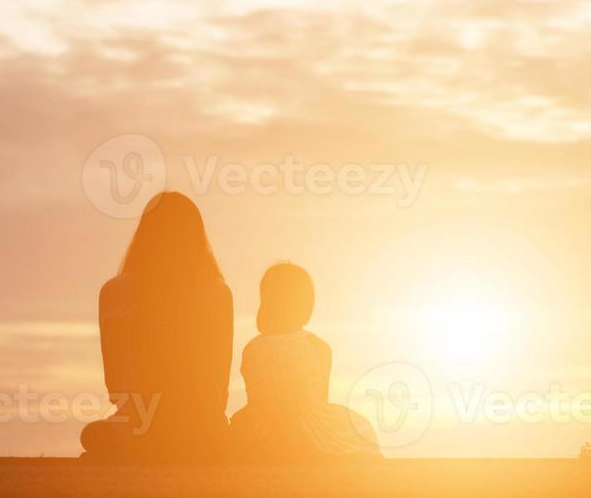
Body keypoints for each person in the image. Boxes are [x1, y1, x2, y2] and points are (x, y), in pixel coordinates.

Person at [80, 192, 233, 461]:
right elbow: (220, 381)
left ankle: (139, 447)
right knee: (231, 436)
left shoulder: (115, 292)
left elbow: (113, 381)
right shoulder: (218, 294)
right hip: (200, 428)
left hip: (138, 424)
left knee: (93, 436)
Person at [230, 263, 381, 460]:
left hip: (261, 432)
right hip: (307, 433)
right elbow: (320, 403)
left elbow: (254, 398)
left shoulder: (251, 349)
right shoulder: (319, 348)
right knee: (362, 430)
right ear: (304, 304)